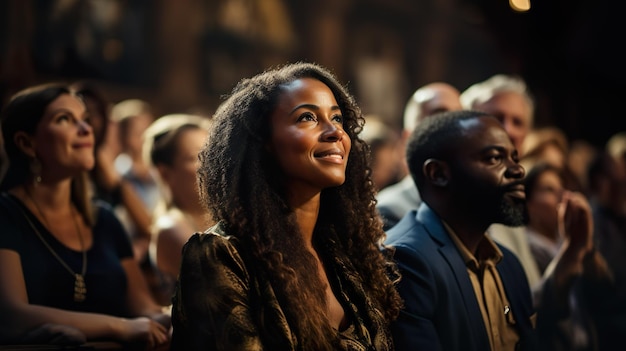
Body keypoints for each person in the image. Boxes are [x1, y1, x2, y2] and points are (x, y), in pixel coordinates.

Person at [170, 62, 403, 350]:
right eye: (307, 117)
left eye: (338, 118)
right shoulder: (220, 255)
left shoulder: (341, 248)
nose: (335, 133)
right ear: (263, 142)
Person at [0, 83, 170, 349]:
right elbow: (12, 315)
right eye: (64, 119)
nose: (86, 129)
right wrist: (119, 326)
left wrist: (184, 312)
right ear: (26, 143)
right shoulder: (6, 214)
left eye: (85, 120)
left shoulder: (104, 220)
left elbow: (145, 308)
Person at [385, 110, 537, 351]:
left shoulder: (508, 264)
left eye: (514, 158)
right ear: (439, 174)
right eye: (495, 158)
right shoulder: (407, 260)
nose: (518, 170)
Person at [460, 73, 542, 288]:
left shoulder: (509, 209)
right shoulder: (446, 203)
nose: (509, 130)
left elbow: (530, 301)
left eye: (518, 122)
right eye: (497, 118)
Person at [143, 113, 214, 306]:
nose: (210, 164)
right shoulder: (171, 228)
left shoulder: (222, 217)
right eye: (195, 157)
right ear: (165, 174)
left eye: (212, 153)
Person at [376, 82, 462, 230]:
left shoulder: (476, 205)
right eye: (440, 117)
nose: (454, 125)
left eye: (460, 116)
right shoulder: (389, 210)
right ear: (409, 138)